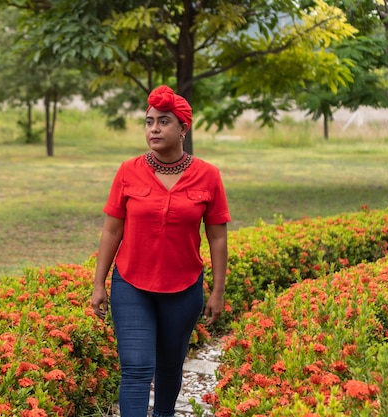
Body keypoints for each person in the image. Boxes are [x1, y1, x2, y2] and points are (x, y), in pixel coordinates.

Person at [91, 85, 231, 417]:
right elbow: (112, 230)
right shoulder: (128, 171)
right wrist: (99, 283)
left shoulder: (208, 176)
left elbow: (218, 238)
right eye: (149, 121)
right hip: (131, 284)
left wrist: (218, 290)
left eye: (164, 122)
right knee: (137, 369)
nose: (154, 128)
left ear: (184, 128)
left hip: (184, 289)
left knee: (169, 368)